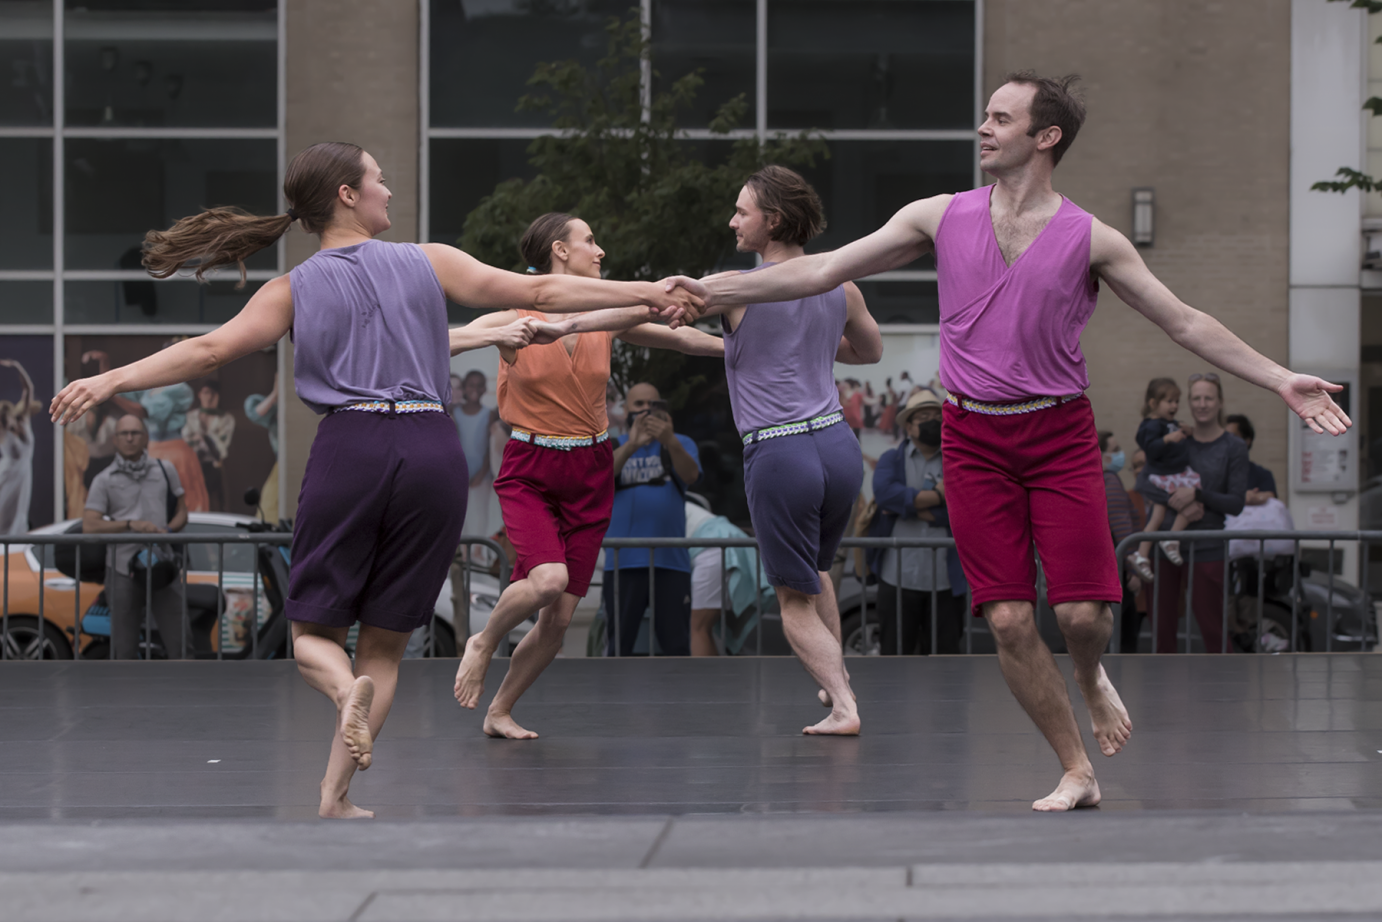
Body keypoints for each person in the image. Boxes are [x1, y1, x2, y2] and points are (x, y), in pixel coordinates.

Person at [664, 73, 1349, 809]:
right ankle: (1077, 769)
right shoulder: (938, 216)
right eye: (984, 115)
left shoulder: (1094, 239)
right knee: (1011, 617)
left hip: (1058, 434)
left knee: (1082, 616)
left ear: (1045, 137)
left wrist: (1280, 378)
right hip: (973, 436)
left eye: (1000, 118)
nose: (983, 128)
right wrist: (705, 292)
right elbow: (821, 270)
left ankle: (1088, 672)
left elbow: (1183, 320)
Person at [50, 142, 701, 818]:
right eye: (379, 180)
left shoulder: (293, 288)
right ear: (346, 194)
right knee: (385, 645)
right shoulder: (429, 260)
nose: (388, 190)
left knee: (312, 638)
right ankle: (335, 795)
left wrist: (112, 378)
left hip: (352, 445)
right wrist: (649, 291)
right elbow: (541, 290)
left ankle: (340, 694)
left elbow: (210, 350)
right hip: (431, 448)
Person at [452, 212, 722, 739]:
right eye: (591, 242)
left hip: (591, 469)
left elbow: (686, 341)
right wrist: (494, 334)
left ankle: (500, 710)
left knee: (556, 622)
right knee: (547, 581)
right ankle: (482, 641)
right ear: (560, 251)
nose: (600, 252)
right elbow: (449, 339)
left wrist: (749, 351)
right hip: (531, 467)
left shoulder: (604, 317)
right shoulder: (516, 317)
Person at [690, 165, 882, 734]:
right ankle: (834, 683)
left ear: (771, 221)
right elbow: (868, 353)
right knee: (818, 573)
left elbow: (659, 315)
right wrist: (815, 347)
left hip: (780, 452)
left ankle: (843, 704)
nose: (732, 220)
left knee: (792, 599)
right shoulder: (839, 284)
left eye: (741, 211)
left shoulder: (735, 288)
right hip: (837, 446)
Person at [1138, 374, 1248, 654]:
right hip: (1163, 547)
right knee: (1161, 635)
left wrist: (1198, 496)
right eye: (1196, 398)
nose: (1202, 404)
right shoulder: (1175, 438)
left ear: (1220, 402)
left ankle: (1223, 694)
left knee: (1213, 630)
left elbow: (1236, 503)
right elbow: (1144, 481)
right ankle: (1162, 696)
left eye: (1208, 398)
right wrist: (1177, 501)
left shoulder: (1232, 447)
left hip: (1207, 547)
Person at [604, 382, 700, 657]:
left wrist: (670, 440)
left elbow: (691, 476)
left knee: (676, 648)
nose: (646, 411)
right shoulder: (611, 445)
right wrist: (633, 444)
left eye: (652, 405)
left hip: (671, 563)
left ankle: (678, 700)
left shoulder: (681, 443)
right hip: (623, 563)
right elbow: (601, 479)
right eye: (638, 405)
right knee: (618, 647)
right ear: (626, 410)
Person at [82, 414, 189, 658]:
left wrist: (168, 531)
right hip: (122, 569)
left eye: (135, 433)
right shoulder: (103, 479)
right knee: (124, 648)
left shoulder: (165, 469)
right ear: (115, 440)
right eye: (124, 434)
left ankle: (186, 694)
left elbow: (183, 511)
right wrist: (130, 525)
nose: (130, 438)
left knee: (181, 644)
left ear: (145, 438)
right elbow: (89, 525)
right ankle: (125, 695)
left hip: (163, 564)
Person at [871, 389, 968, 656]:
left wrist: (912, 509)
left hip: (946, 583)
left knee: (946, 661)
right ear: (909, 426)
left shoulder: (957, 462)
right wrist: (938, 495)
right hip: (897, 579)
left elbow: (967, 510)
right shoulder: (892, 459)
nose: (933, 422)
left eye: (938, 416)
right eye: (924, 416)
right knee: (894, 655)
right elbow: (885, 494)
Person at [1127, 377, 1200, 581]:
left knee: (1170, 511)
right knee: (1168, 511)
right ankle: (1145, 552)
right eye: (1169, 401)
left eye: (1177, 401)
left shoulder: (1171, 423)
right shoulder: (1150, 425)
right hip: (1165, 477)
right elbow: (1150, 448)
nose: (1175, 406)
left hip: (1176, 475)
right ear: (1153, 403)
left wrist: (1188, 432)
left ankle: (1155, 548)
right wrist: (1168, 438)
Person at [1099, 431, 1144, 653]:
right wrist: (1133, 569)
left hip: (1107, 572)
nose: (1120, 455)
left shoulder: (1096, 482)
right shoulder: (1111, 482)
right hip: (1119, 575)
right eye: (1114, 450)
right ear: (1101, 455)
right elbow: (1123, 528)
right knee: (1123, 641)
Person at [452, 370, 497, 540]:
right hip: (459, 478)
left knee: (479, 521)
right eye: (471, 385)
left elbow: (488, 449)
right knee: (461, 522)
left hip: (482, 478)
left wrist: (482, 474)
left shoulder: (489, 414)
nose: (475, 389)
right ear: (464, 388)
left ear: (485, 388)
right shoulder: (454, 414)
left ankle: (478, 559)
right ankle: (462, 561)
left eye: (479, 385)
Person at [0, 358, 40, 535]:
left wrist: (17, 366)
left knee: (18, 519)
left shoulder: (23, 422)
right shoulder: (3, 432)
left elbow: (28, 388)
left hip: (21, 477)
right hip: (7, 476)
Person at [183, 379, 235, 512]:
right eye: (206, 393)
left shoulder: (226, 419)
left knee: (216, 505)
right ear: (200, 394)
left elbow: (221, 449)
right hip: (193, 466)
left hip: (214, 468)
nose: (210, 397)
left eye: (213, 393)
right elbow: (185, 443)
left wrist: (205, 435)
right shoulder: (190, 417)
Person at [1225, 414, 1278, 505]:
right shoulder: (1213, 472)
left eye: (1233, 437)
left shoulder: (1262, 474)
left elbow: (1271, 496)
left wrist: (1257, 497)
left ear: (1247, 441)